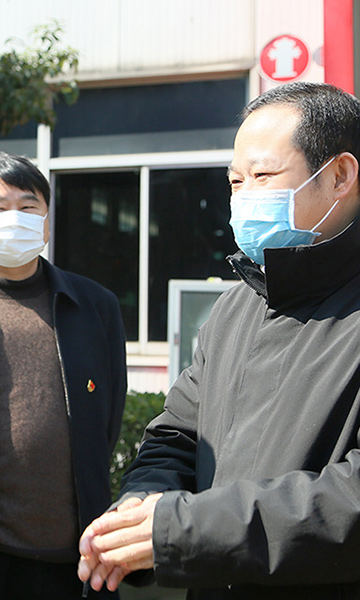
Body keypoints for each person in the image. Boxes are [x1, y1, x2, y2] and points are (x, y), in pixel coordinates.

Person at [78, 81, 360, 599]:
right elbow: (176, 436)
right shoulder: (235, 308)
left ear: (340, 176)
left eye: (263, 176)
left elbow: (349, 499)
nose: (244, 197)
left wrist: (184, 529)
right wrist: (141, 506)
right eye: (235, 181)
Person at [0, 150, 127, 600]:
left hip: (78, 561)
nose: (13, 218)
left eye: (28, 206)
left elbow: (106, 421)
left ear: (47, 221)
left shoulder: (95, 306)